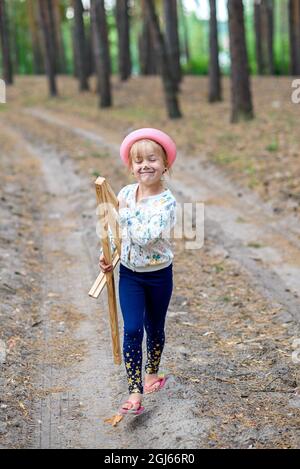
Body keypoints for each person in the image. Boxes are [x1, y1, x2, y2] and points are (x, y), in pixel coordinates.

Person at [99, 128, 177, 415]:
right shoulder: (124, 194)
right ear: (131, 167)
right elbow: (113, 231)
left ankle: (152, 372)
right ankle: (134, 391)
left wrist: (124, 213)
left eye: (153, 159)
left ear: (165, 164)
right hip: (130, 274)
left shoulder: (166, 203)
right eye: (139, 161)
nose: (146, 165)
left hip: (158, 275)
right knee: (132, 328)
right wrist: (106, 256)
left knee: (154, 327)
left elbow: (145, 236)